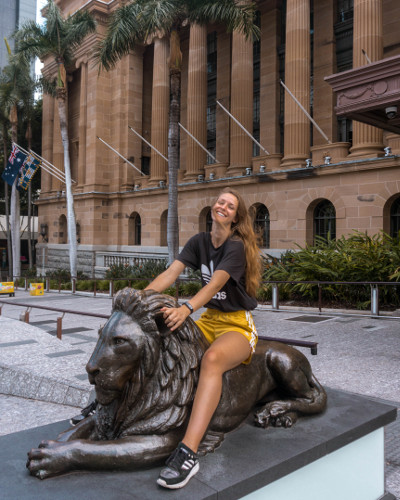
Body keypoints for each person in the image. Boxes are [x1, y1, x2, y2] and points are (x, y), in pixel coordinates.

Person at [145, 187, 262, 490]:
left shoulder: (235, 247)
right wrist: (140, 299)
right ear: (214, 207)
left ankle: (188, 453)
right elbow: (172, 272)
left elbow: (215, 285)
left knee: (211, 360)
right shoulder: (199, 241)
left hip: (237, 325)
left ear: (236, 218)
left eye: (231, 205)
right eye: (221, 201)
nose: (224, 206)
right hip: (209, 319)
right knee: (162, 337)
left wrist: (185, 308)